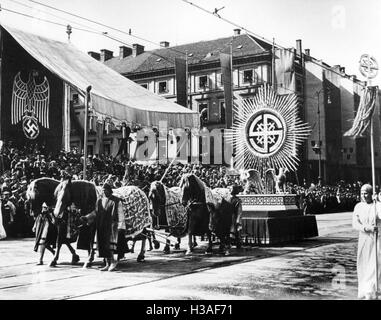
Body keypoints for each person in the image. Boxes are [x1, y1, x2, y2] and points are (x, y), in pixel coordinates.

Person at [82, 183, 125, 272]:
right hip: (101, 225)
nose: (104, 192)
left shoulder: (116, 201)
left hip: (112, 226)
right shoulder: (99, 201)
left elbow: (120, 214)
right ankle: (107, 263)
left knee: (110, 246)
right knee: (102, 245)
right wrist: (87, 217)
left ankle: (113, 262)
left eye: (105, 190)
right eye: (103, 190)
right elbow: (95, 212)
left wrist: (121, 226)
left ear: (110, 191)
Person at [352, 184, 381, 300]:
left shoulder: (377, 206)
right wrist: (366, 228)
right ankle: (364, 291)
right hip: (364, 239)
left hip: (376, 240)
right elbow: (355, 223)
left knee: (374, 265)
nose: (364, 196)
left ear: (371, 194)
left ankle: (373, 291)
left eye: (366, 193)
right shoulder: (358, 206)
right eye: (362, 193)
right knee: (363, 265)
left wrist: (378, 202)